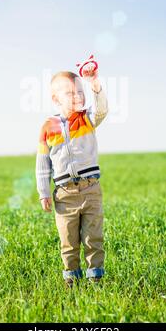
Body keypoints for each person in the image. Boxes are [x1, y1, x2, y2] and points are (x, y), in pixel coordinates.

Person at [35, 65, 108, 288]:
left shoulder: (86, 118)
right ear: (55, 98)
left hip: (90, 189)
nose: (77, 96)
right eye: (69, 92)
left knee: (93, 238)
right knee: (68, 241)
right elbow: (42, 162)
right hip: (64, 194)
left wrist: (95, 85)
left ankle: (96, 278)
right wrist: (44, 192)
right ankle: (71, 280)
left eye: (79, 91)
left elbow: (102, 110)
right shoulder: (48, 126)